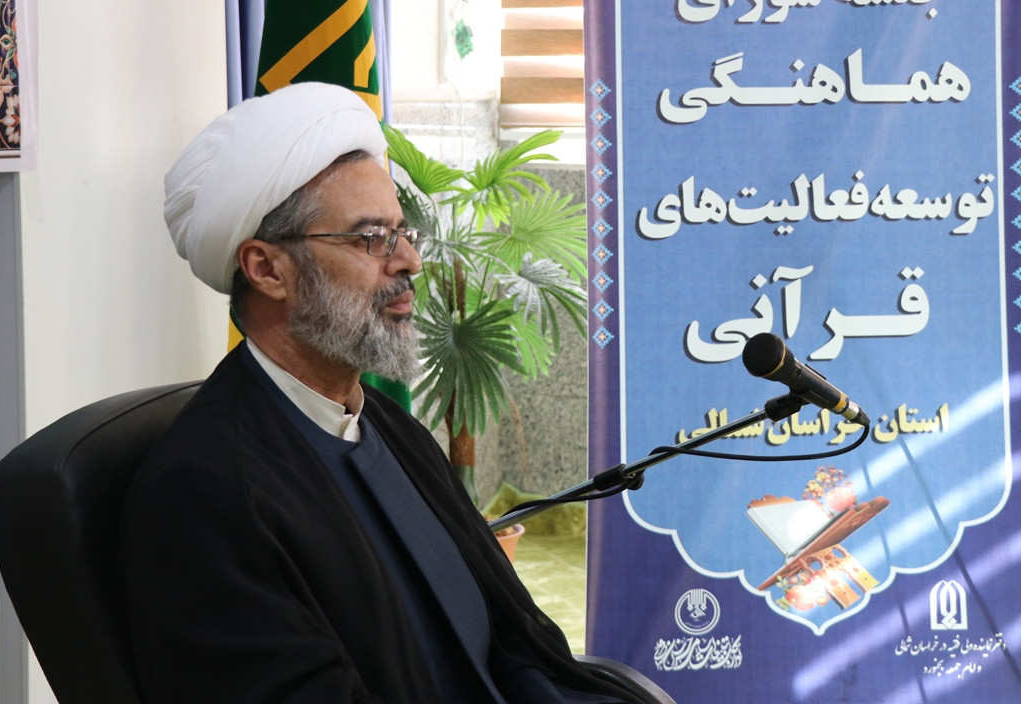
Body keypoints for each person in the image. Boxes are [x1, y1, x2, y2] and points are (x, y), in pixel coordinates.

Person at [117, 83, 642, 703]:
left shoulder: (386, 425)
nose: (410, 260)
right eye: (372, 238)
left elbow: (510, 639)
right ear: (267, 269)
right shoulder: (205, 492)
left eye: (402, 232)